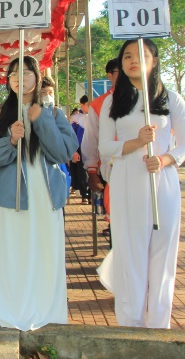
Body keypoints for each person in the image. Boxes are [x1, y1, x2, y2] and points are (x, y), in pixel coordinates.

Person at [0, 56, 77, 331]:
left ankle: (46, 307)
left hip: (46, 195)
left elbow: (64, 152)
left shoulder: (54, 113)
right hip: (12, 196)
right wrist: (10, 140)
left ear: (37, 76)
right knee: (13, 251)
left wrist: (42, 120)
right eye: (13, 74)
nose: (19, 78)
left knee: (44, 251)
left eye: (25, 73)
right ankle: (10, 306)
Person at [97, 39, 185, 329]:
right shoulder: (113, 101)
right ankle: (130, 324)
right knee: (130, 252)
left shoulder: (170, 99)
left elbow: (183, 146)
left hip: (162, 182)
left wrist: (165, 160)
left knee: (163, 254)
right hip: (126, 181)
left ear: (155, 60)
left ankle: (159, 326)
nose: (133, 60)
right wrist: (136, 142)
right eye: (127, 56)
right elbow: (105, 148)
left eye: (141, 55)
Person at [83, 58, 119, 237]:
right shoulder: (99, 104)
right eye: (119, 72)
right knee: (118, 222)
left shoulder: (146, 99)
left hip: (144, 167)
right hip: (111, 168)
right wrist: (92, 169)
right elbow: (91, 138)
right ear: (109, 76)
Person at [70, 95, 90, 204]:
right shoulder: (76, 118)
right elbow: (71, 135)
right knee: (82, 172)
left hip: (92, 147)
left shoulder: (95, 116)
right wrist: (74, 151)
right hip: (80, 148)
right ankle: (84, 194)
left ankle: (92, 193)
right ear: (82, 105)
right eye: (88, 105)